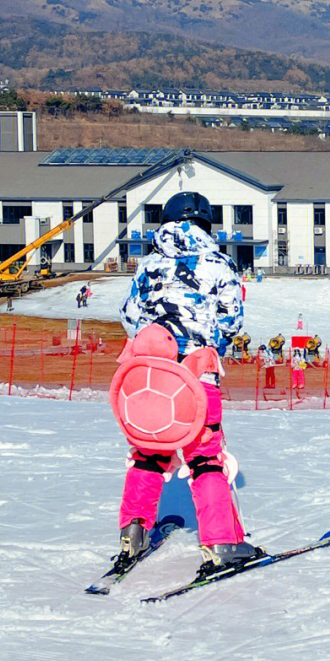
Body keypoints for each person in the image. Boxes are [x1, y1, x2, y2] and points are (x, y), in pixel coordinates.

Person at [115, 191, 257, 575]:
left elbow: (129, 315)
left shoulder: (147, 264)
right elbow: (231, 319)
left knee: (147, 452)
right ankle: (220, 543)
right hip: (196, 374)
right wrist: (211, 345)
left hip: (150, 374)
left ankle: (134, 532)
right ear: (206, 223)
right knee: (205, 458)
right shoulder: (220, 264)